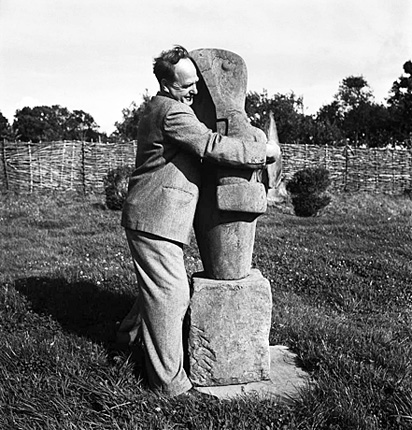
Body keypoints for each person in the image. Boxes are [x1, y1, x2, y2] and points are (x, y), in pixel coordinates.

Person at [120, 45, 280, 398]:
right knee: (171, 296)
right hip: (154, 217)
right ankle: (169, 385)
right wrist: (261, 151)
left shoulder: (166, 106)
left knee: (158, 286)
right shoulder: (171, 112)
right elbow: (210, 144)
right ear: (164, 84)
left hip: (155, 216)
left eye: (195, 83)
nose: (193, 91)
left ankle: (127, 340)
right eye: (185, 86)